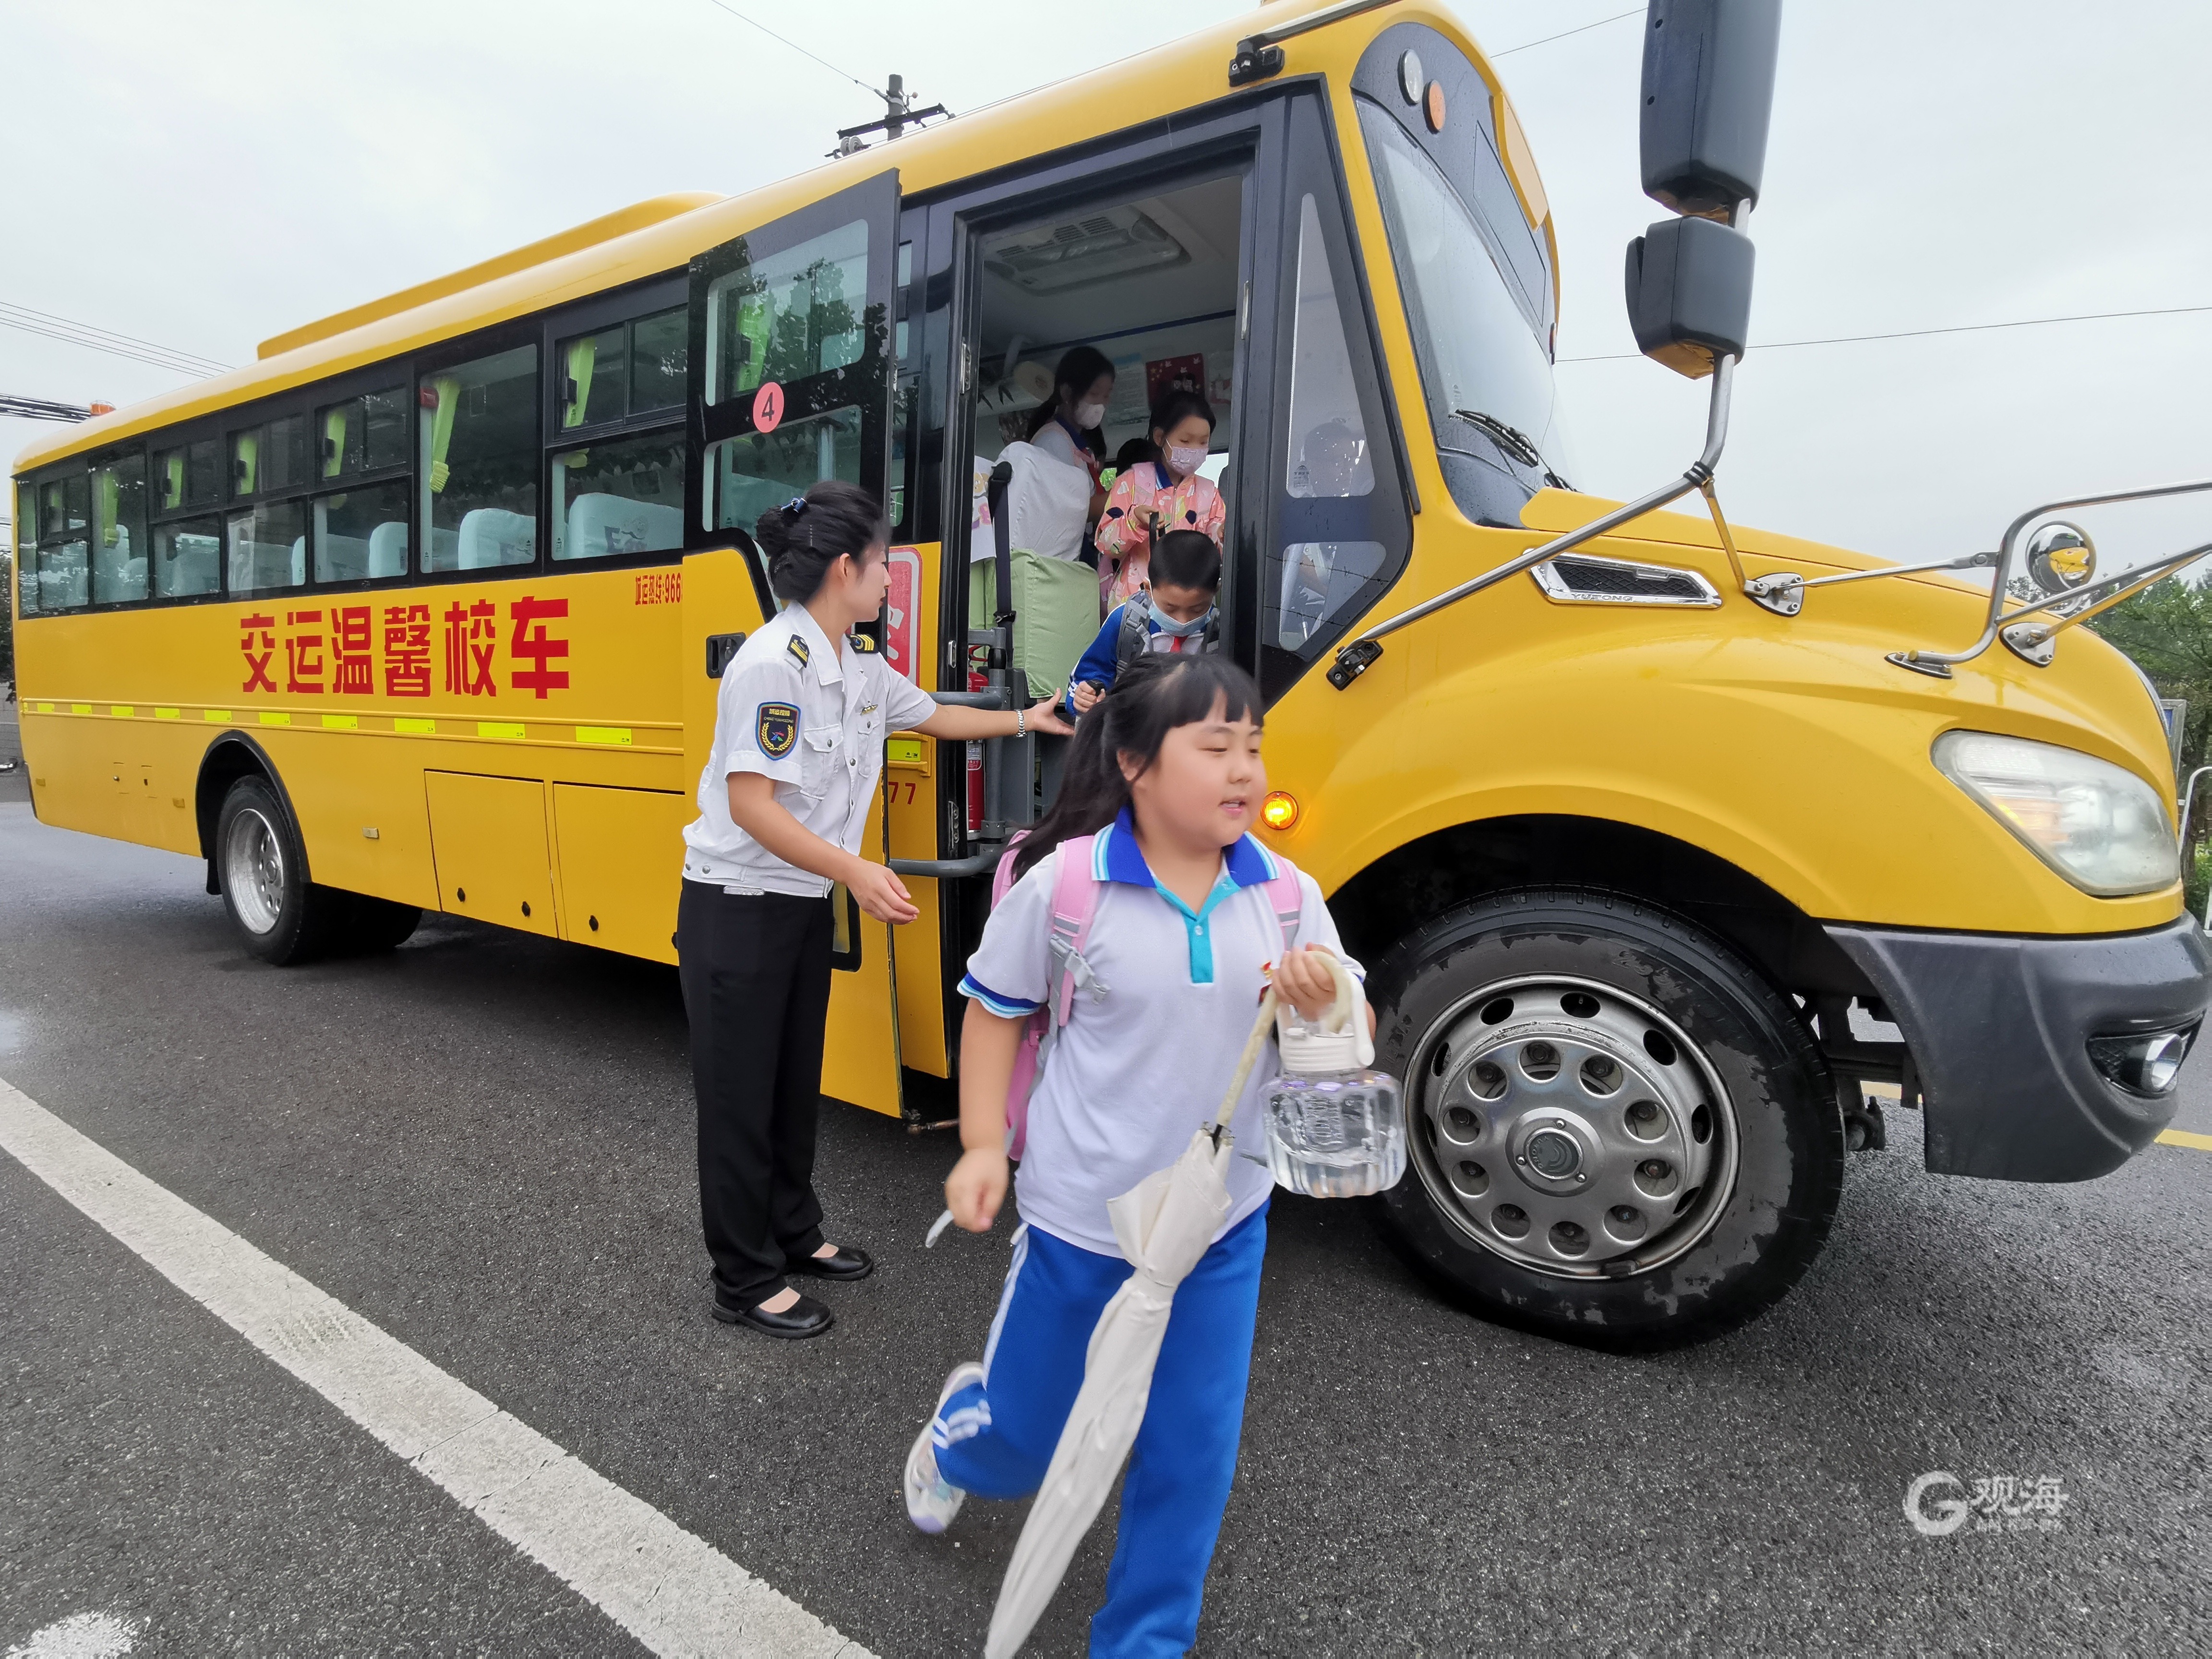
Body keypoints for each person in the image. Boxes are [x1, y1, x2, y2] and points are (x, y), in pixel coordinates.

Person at [902, 652, 1363, 1656]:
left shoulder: (1286, 893)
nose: (1245, 768)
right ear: (1139, 764)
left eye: (1254, 745)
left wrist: (1326, 997)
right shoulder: (1067, 884)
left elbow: (1343, 1012)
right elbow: (994, 1014)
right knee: (1026, 1442)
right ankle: (958, 1433)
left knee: (1188, 1455)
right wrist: (985, 1145)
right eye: (1216, 746)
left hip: (1219, 1226)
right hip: (1079, 1220)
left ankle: (1143, 1641)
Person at [678, 481, 1072, 1340]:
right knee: (741, 1097)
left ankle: (793, 1233)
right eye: (883, 563)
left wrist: (1026, 719)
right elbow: (752, 805)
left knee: (790, 1084)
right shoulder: (770, 665)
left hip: (795, 906)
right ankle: (742, 1279)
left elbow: (931, 716)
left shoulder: (856, 664)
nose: (893, 579)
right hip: (736, 907)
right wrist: (855, 870)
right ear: (844, 568)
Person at [1063, 528, 1221, 717]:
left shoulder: (1220, 631)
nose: (1183, 621)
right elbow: (1087, 677)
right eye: (1170, 608)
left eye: (1197, 609)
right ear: (1148, 589)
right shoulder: (1125, 623)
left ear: (1216, 592)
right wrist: (1083, 699)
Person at [1094, 389, 1225, 613]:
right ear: (1159, 438)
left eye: (1203, 443)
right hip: (1134, 609)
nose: (1195, 450)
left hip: (1190, 613)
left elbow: (1219, 557)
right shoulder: (1131, 483)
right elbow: (1105, 544)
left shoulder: (1210, 494)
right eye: (1185, 440)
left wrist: (1223, 537)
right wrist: (1134, 522)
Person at [1025, 345, 1116, 507]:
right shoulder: (1053, 442)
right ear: (1067, 393)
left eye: (1107, 395)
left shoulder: (1075, 445)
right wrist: (1118, 500)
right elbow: (1065, 511)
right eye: (1095, 394)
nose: (1102, 403)